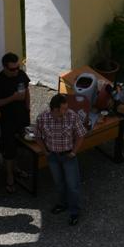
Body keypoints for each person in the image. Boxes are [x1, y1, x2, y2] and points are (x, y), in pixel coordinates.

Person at [35, 94, 86, 226]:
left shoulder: (72, 116)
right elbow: (38, 136)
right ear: (54, 109)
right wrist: (45, 152)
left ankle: (74, 211)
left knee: (73, 186)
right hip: (53, 156)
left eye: (66, 108)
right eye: (63, 109)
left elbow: (81, 135)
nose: (66, 111)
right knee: (59, 183)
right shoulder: (42, 118)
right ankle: (62, 204)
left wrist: (74, 152)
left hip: (68, 156)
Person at [0, 52, 31, 193]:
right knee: (9, 148)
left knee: (21, 144)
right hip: (7, 120)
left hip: (22, 116)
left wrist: (28, 107)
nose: (16, 71)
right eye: (13, 69)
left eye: (18, 67)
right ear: (5, 68)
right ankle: (9, 176)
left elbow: (27, 90)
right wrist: (12, 98)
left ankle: (16, 168)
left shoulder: (20, 75)